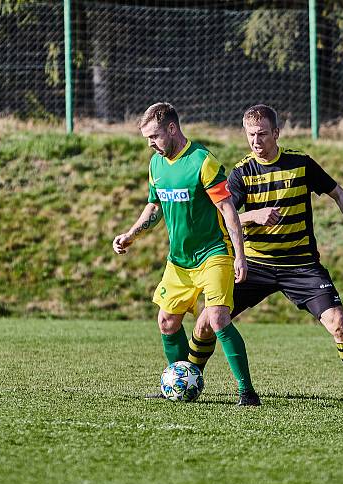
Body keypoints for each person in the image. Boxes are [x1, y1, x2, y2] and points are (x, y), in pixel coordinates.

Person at [192, 104, 343, 405]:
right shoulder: (242, 172)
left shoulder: (301, 164)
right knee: (207, 320)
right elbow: (222, 214)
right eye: (250, 135)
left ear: (276, 133)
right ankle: (186, 379)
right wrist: (254, 216)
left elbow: (339, 193)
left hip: (301, 266)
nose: (256, 142)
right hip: (255, 264)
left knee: (340, 324)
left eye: (261, 134)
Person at [112, 102, 261, 406]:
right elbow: (154, 207)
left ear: (171, 128)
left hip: (214, 254)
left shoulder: (202, 161)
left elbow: (227, 209)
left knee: (218, 320)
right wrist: (131, 235)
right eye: (147, 140)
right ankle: (178, 384)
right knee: (167, 321)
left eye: (154, 137)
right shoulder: (156, 165)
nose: (151, 144)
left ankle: (247, 392)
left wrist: (240, 256)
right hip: (179, 260)